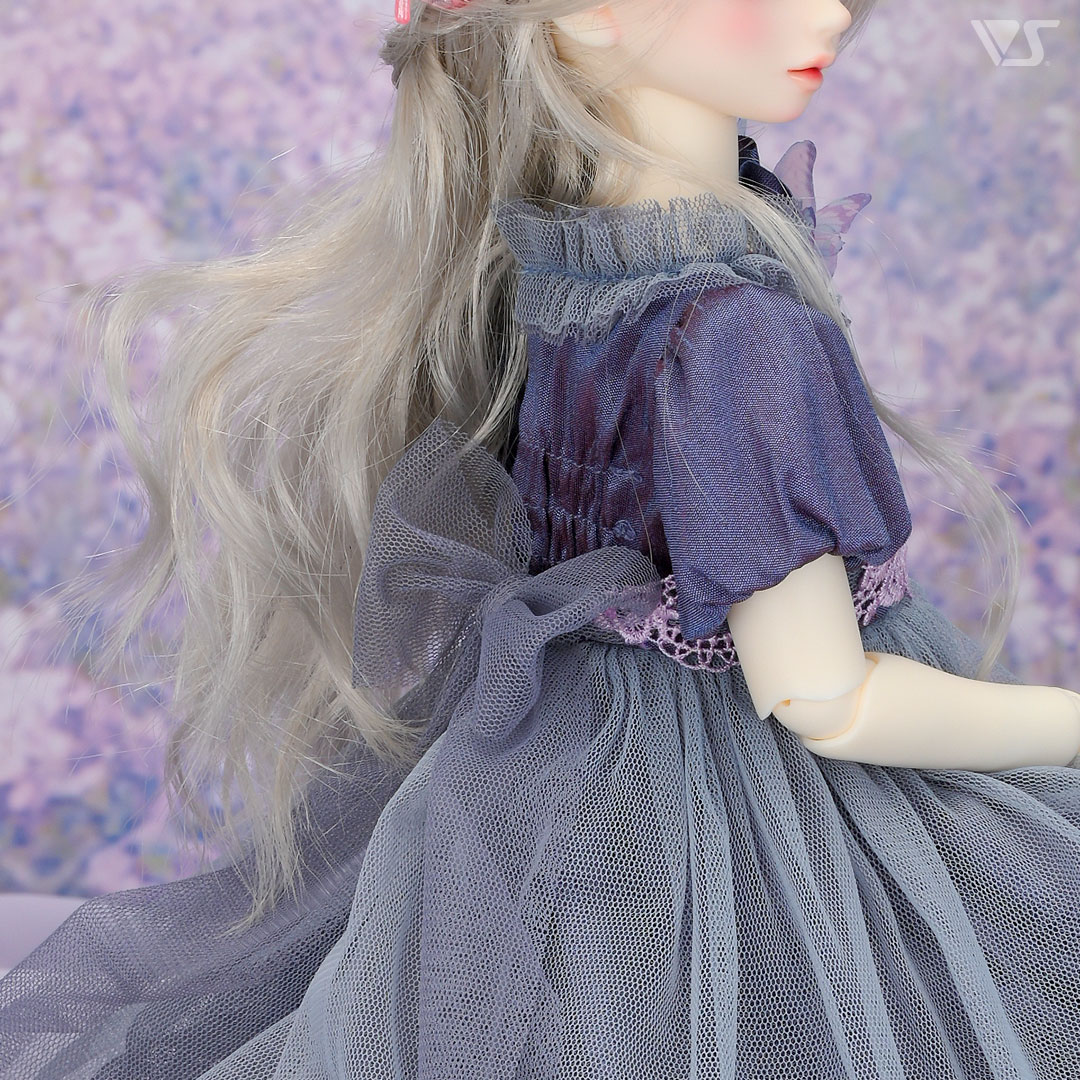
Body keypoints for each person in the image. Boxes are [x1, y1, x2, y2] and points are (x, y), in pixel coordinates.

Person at [2, 0, 1079, 1076]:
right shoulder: (739, 332)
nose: (832, 11)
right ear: (592, 18)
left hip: (559, 790)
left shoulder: (561, 263)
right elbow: (825, 701)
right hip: (748, 834)